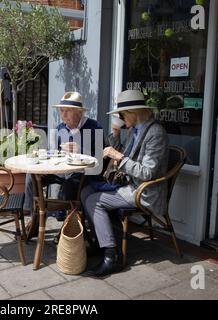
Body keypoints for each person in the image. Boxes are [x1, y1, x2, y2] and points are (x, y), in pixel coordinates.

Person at [80, 89, 169, 277]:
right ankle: (99, 241)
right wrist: (115, 133)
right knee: (85, 191)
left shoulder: (155, 133)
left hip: (144, 191)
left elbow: (147, 173)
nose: (120, 117)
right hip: (129, 184)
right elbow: (126, 156)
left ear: (132, 113)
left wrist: (118, 157)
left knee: (93, 201)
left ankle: (112, 256)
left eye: (121, 114)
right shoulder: (136, 129)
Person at [23, 91, 105, 233]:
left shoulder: (94, 127)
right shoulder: (62, 128)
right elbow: (56, 152)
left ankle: (68, 228)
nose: (63, 115)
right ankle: (34, 216)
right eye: (61, 111)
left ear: (79, 112)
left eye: (67, 111)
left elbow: (100, 158)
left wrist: (80, 150)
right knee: (32, 176)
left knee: (69, 185)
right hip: (62, 171)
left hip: (84, 173)